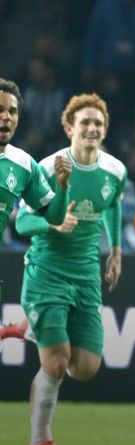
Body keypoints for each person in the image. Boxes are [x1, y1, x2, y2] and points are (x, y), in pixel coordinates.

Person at [14, 93, 127, 445]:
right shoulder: (47, 169)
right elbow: (23, 221)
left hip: (86, 277)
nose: (92, 128)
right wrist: (54, 225)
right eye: (85, 123)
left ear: (105, 129)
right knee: (58, 363)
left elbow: (112, 206)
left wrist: (116, 249)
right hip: (47, 273)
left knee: (86, 368)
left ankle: (27, 329)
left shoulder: (116, 171)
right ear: (69, 128)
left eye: (98, 123)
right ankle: (39, 440)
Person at [0, 77, 70, 340]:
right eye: (0, 110)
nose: (6, 117)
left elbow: (54, 215)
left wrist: (62, 187)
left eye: (12, 111)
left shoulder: (24, 164)